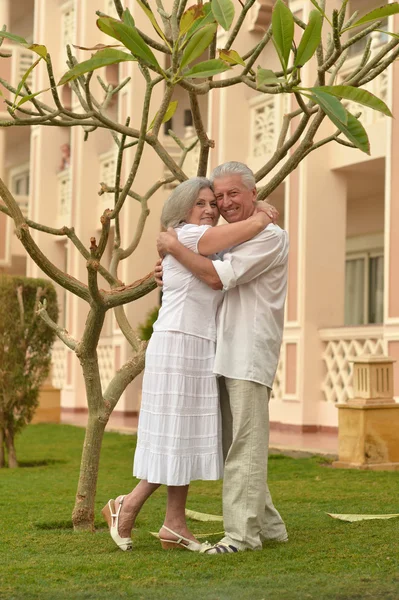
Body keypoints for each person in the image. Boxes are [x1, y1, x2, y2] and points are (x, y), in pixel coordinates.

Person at [102, 176, 276, 552]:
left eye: (212, 203)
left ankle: (174, 524)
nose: (211, 209)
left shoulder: (192, 242)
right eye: (202, 203)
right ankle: (126, 506)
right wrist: (262, 217)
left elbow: (221, 259)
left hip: (199, 345)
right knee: (176, 434)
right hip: (179, 341)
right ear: (182, 210)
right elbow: (216, 275)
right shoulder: (187, 234)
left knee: (187, 435)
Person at [156, 162, 289, 554]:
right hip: (223, 351)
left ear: (252, 193)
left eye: (234, 194)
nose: (225, 203)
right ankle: (270, 527)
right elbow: (202, 273)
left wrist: (175, 248)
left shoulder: (270, 237)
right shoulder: (231, 237)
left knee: (245, 446)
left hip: (249, 350)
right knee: (237, 443)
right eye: (219, 197)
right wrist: (172, 270)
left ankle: (241, 537)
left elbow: (216, 277)